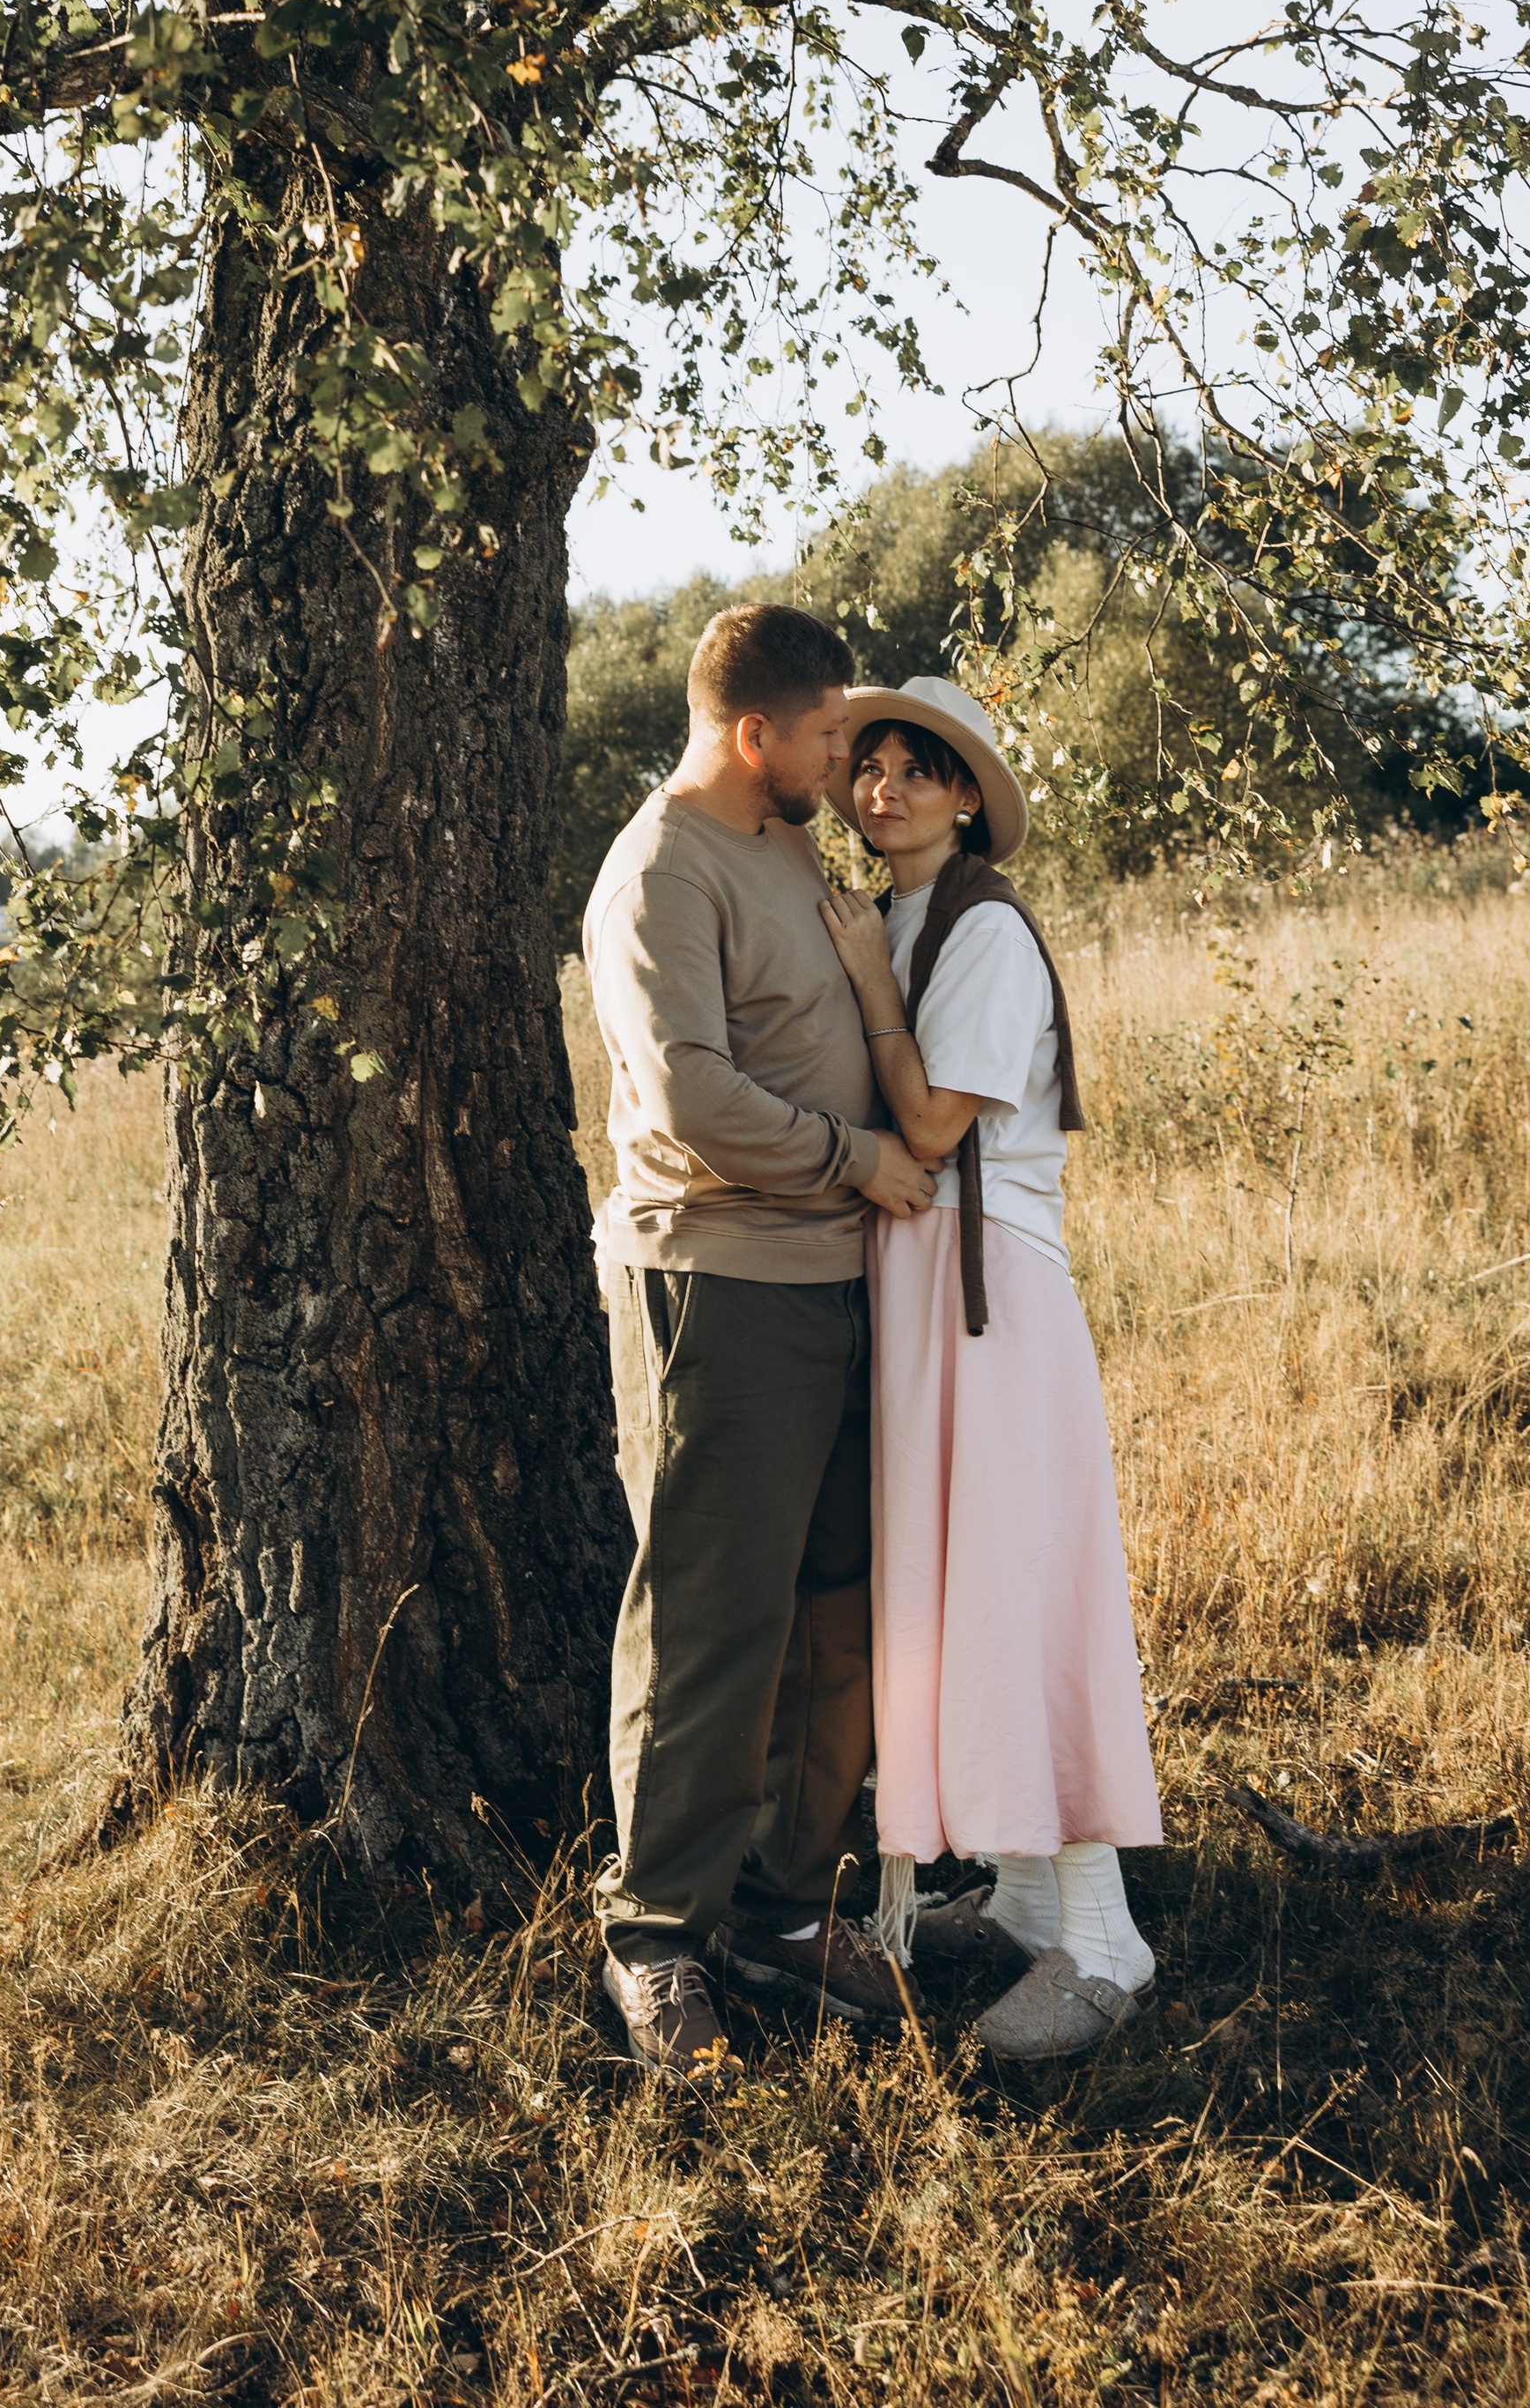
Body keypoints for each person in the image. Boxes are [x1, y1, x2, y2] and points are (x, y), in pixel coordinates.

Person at [581, 604, 942, 2081]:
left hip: (842, 1281)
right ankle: (658, 1937)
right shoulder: (662, 870)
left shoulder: (786, 845)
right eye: (830, 736)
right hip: (720, 1285)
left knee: (835, 1606)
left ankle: (786, 1910)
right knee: (714, 1620)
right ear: (755, 736)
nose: (847, 762)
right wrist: (860, 1159)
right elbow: (691, 1095)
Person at [817, 674, 1164, 2061]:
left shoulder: (986, 929)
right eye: (872, 765)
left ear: (966, 796)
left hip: (990, 1294)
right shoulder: (900, 916)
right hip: (917, 1283)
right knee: (955, 1584)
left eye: (920, 768)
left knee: (1016, 1583)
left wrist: (862, 978)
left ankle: (1106, 1935)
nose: (886, 787)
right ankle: (1022, 1894)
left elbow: (929, 1121)